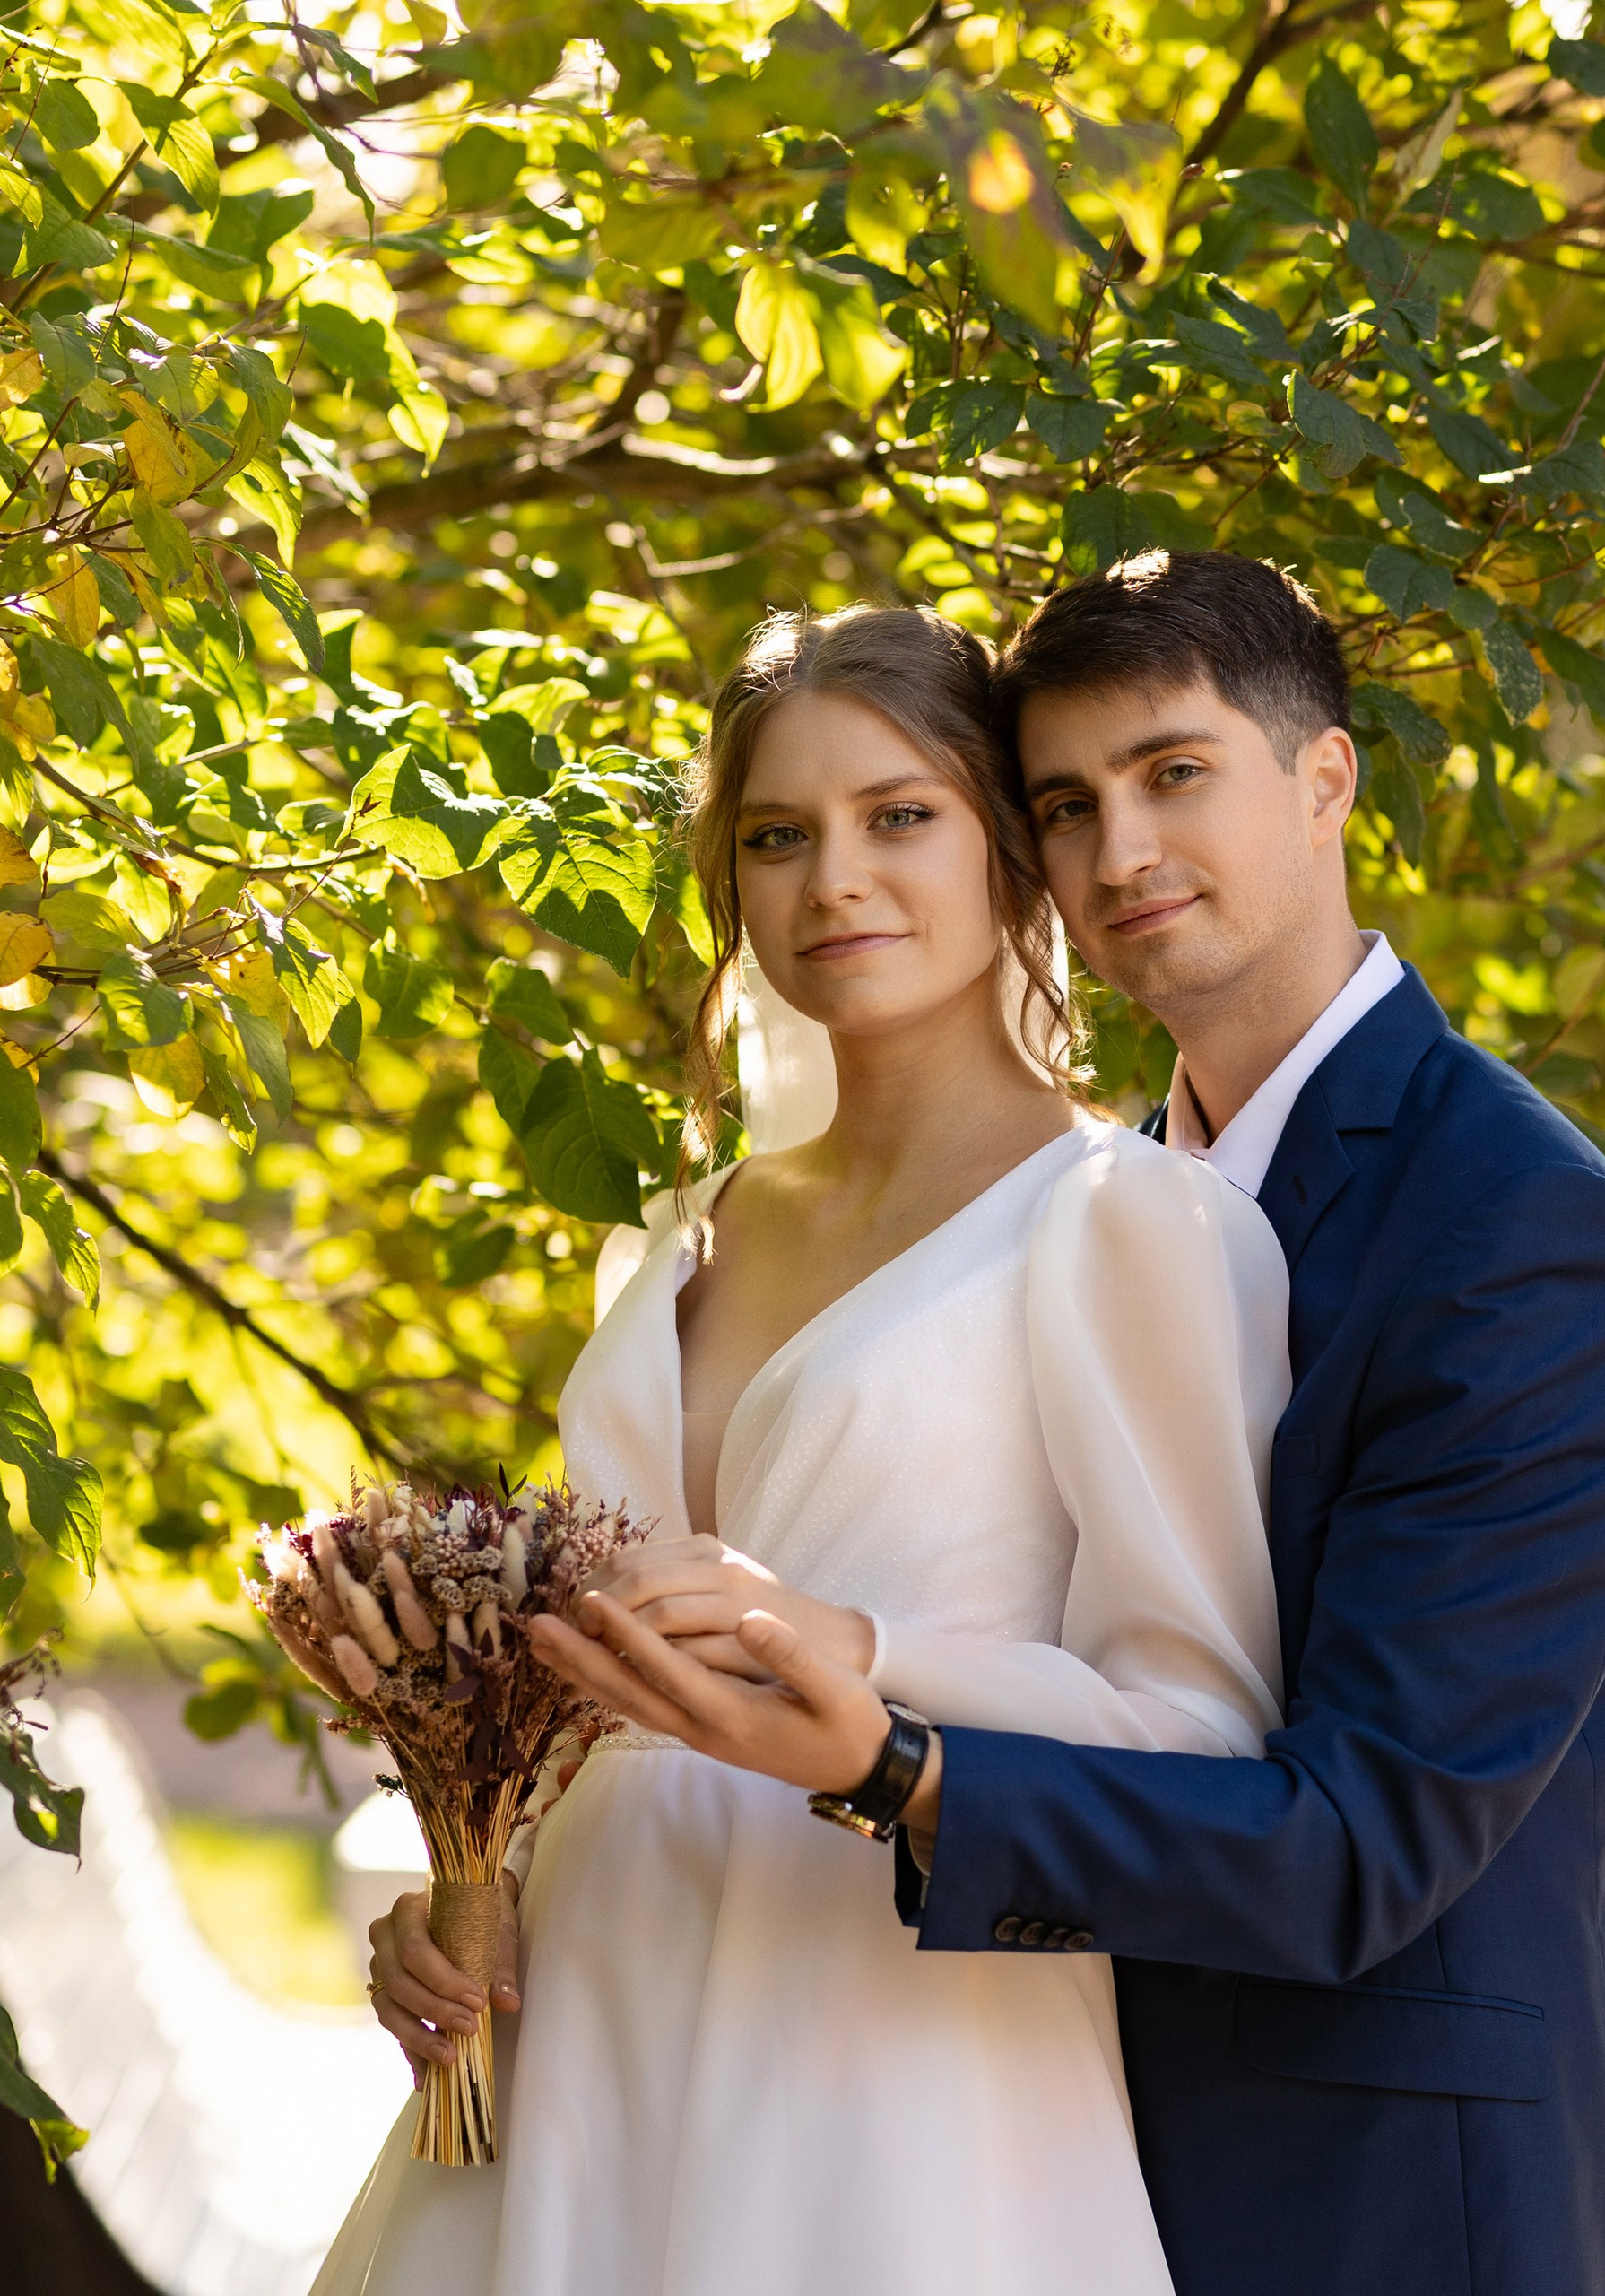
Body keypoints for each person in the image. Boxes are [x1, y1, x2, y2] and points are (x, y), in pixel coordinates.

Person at [555, 552, 1605, 2296]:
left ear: (1323, 780)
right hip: (992, 2124)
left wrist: (891, 1756)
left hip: (1374, 2199)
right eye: (1067, 804)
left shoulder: (1511, 1228)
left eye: (1175, 774)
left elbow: (1359, 1842)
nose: (1120, 854)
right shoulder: (1099, 1200)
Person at [325, 601, 1292, 2296]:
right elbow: (596, 1681)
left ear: (1009, 854)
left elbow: (1207, 1736)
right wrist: (465, 1878)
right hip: (583, 2026)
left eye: (898, 816)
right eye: (778, 836)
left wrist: (866, 1659)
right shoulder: (679, 1236)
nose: (834, 878)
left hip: (897, 2054)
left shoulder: (1127, 1226)